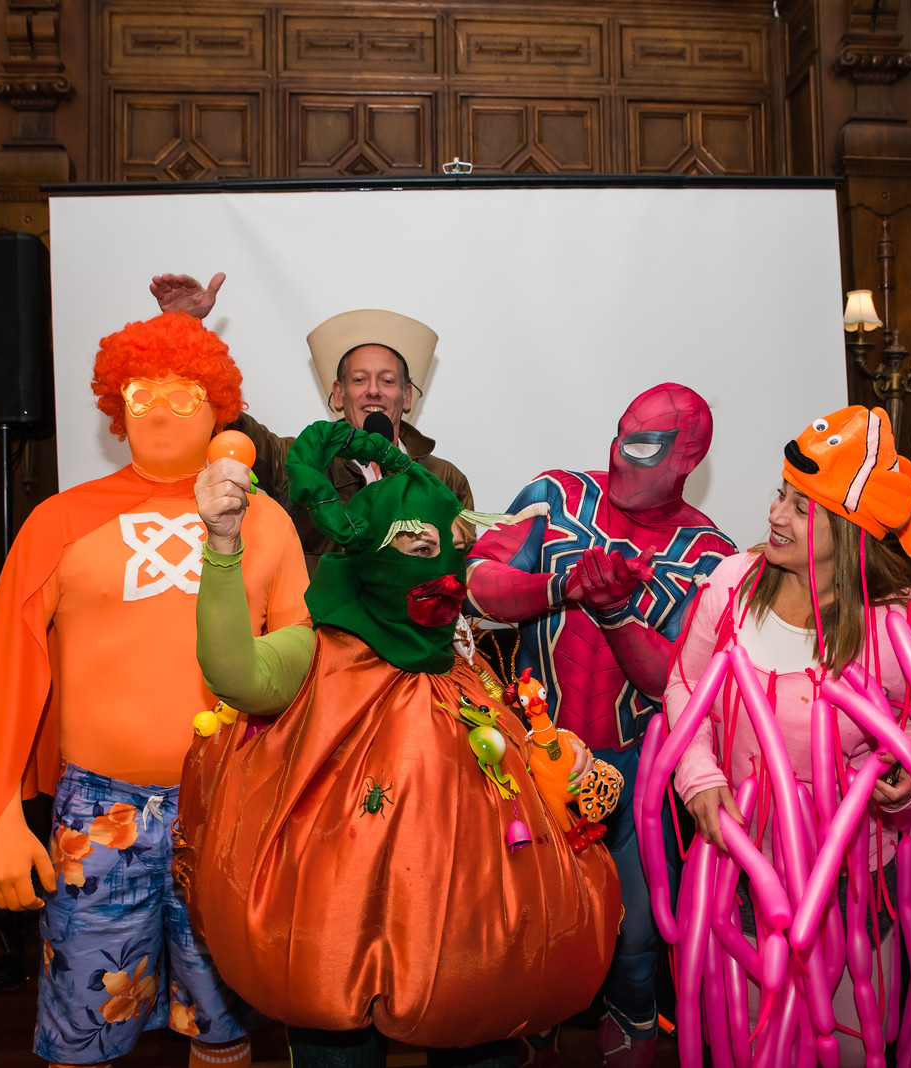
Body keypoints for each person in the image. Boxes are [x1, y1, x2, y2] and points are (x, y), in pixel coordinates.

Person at [177, 418, 622, 1068]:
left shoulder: (459, 661)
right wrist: (222, 548)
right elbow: (234, 674)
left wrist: (557, 760)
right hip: (331, 934)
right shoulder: (316, 652)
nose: (440, 568)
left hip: (468, 937)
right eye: (415, 546)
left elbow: (509, 755)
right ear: (368, 557)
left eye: (448, 546)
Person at [0, 312, 311, 1068]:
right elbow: (5, 675)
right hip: (96, 809)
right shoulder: (58, 523)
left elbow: (302, 672)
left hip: (231, 801)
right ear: (116, 407)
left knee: (227, 1022)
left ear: (219, 410)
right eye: (141, 392)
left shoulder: (268, 523)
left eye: (183, 395)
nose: (158, 410)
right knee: (83, 1028)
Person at [663, 404, 911, 1068]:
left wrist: (905, 780)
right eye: (780, 494)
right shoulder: (732, 585)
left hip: (854, 881)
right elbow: (684, 686)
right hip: (742, 869)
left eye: (800, 506)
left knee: (851, 1041)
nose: (775, 514)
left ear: (848, 531)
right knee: (751, 1038)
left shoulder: (897, 622)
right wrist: (698, 777)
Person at [465, 383, 736, 1068]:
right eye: (619, 434)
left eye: (643, 446)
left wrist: (615, 612)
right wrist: (563, 586)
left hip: (638, 765)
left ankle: (631, 1021)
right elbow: (478, 584)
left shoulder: (712, 557)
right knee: (527, 926)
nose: (619, 455)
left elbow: (677, 683)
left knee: (637, 940)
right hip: (533, 754)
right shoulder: (556, 498)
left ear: (688, 458)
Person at [150, 273, 474, 570]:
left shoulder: (445, 479)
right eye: (359, 379)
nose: (374, 390)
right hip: (314, 617)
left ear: (407, 396)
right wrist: (183, 327)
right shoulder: (301, 462)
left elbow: (464, 567)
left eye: (387, 381)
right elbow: (224, 419)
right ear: (339, 394)